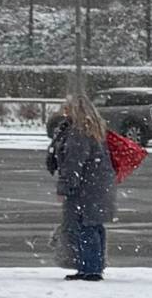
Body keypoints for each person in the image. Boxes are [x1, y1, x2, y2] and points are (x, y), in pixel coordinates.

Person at [47, 93, 117, 282]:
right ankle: (94, 266)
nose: (64, 110)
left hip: (85, 189)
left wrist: (64, 188)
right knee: (94, 225)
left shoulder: (78, 133)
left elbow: (73, 164)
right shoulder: (95, 130)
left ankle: (89, 269)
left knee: (84, 227)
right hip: (98, 186)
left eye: (67, 107)